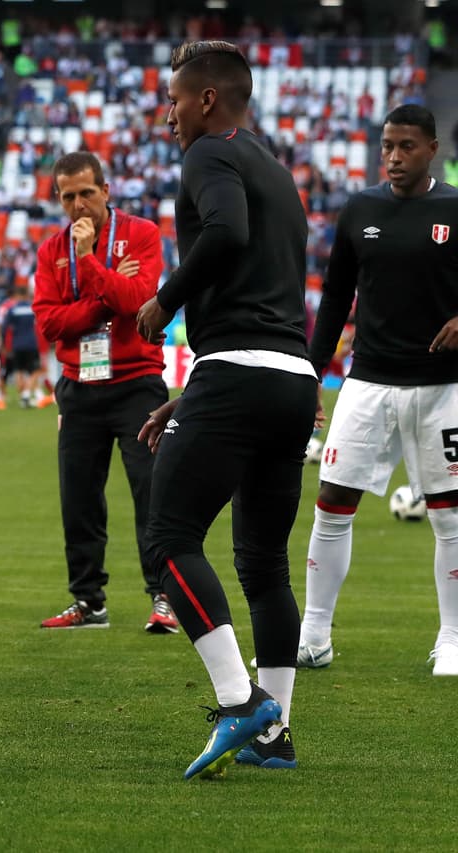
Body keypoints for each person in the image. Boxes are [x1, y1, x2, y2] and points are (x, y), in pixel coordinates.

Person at [134, 41, 317, 778]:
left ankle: (241, 701)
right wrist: (195, 391)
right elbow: (263, 287)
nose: (168, 115)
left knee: (168, 537)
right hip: (291, 377)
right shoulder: (276, 169)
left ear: (207, 99)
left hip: (239, 373)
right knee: (265, 564)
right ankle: (276, 737)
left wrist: (165, 300)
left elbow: (227, 231)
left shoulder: (209, 153)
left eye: (175, 99)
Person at [300, 105, 458, 678]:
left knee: (449, 517)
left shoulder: (455, 209)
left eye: (406, 146)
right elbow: (335, 297)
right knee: (332, 503)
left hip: (442, 386)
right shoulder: (360, 209)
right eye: (387, 146)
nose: (393, 157)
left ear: (432, 150)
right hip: (367, 382)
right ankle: (313, 635)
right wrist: (312, 373)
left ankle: (452, 639)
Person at [31, 151, 177, 634]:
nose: (78, 205)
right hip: (79, 386)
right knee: (78, 501)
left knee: (151, 494)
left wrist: (90, 261)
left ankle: (164, 597)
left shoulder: (143, 234)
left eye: (87, 193)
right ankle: (88, 602)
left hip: (138, 384)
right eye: (68, 196)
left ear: (106, 191)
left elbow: (138, 302)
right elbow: (50, 323)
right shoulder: (51, 251)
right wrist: (104, 297)